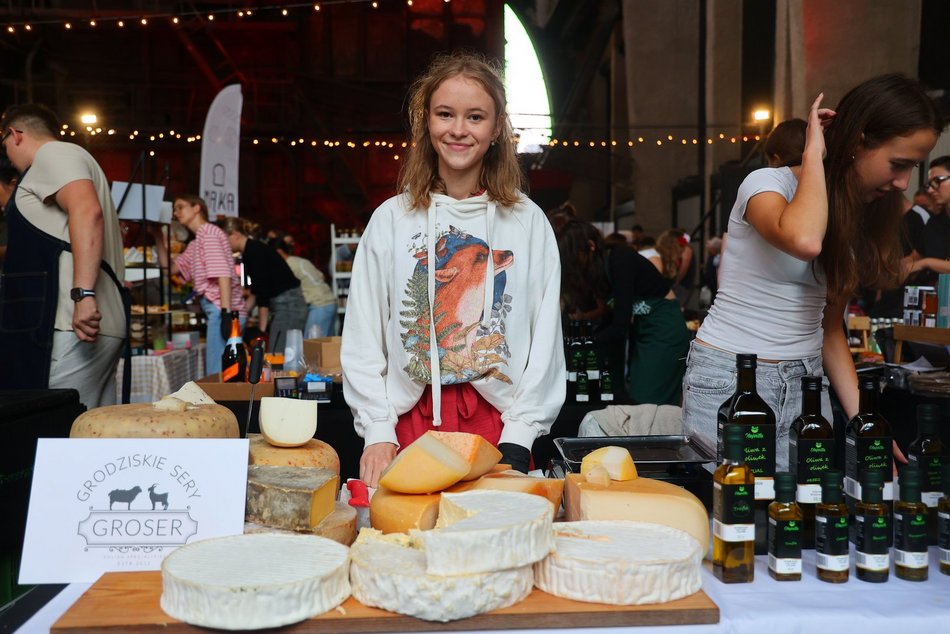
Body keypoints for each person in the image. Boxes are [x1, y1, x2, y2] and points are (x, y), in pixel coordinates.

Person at [682, 75, 942, 471]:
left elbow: (830, 329)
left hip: (807, 383)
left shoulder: (855, 218)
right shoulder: (766, 184)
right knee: (733, 521)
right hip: (732, 378)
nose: (904, 183)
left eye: (913, 169)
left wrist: (865, 422)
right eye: (898, 164)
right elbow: (804, 240)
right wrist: (815, 152)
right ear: (857, 142)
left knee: (800, 518)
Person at [341, 51, 565, 487]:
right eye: (446, 114)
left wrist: (520, 436)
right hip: (410, 421)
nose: (459, 129)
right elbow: (364, 332)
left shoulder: (527, 221)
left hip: (498, 426)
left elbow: (545, 340)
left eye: (475, 117)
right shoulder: (392, 219)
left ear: (497, 126)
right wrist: (377, 430)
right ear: (427, 120)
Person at [0, 104, 126, 407]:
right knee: (90, 435)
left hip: (71, 322)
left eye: (3, 144)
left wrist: (83, 294)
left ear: (15, 135)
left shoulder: (53, 154)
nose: (6, 154)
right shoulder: (61, 161)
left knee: (57, 432)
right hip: (80, 321)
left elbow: (87, 210)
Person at [557, 219, 689, 405]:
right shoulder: (599, 272)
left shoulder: (620, 259)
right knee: (638, 398)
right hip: (643, 332)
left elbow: (619, 325)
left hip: (664, 331)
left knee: (647, 401)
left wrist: (581, 344)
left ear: (591, 246)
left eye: (574, 255)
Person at [169, 195, 245, 375]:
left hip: (222, 309)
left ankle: (220, 404)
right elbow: (170, 269)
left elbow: (223, 274)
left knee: (217, 373)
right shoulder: (197, 242)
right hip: (220, 309)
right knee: (220, 372)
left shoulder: (209, 234)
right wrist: (157, 235)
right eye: (174, 209)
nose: (176, 212)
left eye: (180, 207)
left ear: (197, 208)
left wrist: (226, 315)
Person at [220, 216, 307, 354]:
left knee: (277, 354)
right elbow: (257, 291)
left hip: (289, 306)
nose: (223, 245)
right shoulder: (252, 250)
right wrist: (240, 314)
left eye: (224, 240)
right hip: (289, 304)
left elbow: (262, 295)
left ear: (235, 235)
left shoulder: (253, 251)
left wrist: (260, 331)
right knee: (279, 353)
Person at [269, 231, 337, 337]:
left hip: (318, 304)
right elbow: (322, 276)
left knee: (311, 344)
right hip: (329, 301)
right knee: (324, 343)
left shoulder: (287, 266)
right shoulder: (300, 261)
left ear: (278, 252)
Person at [908, 156, 950, 282]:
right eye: (930, 184)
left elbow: (921, 261)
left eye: (938, 181)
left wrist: (926, 263)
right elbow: (916, 256)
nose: (931, 190)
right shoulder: (935, 222)